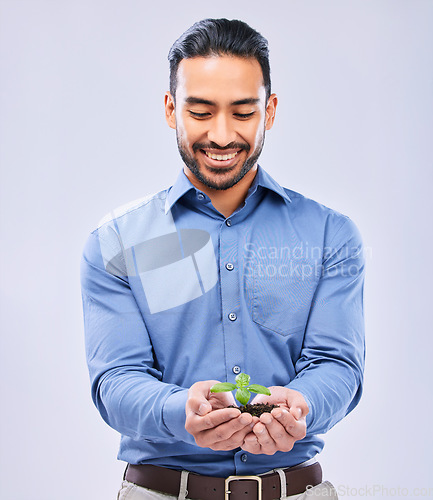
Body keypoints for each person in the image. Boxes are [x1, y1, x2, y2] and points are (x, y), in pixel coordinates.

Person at [80, 18, 365, 500]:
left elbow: (337, 364)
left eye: (242, 112)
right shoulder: (115, 244)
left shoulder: (331, 236)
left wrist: (304, 404)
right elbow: (116, 380)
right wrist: (179, 410)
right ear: (171, 110)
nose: (221, 134)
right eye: (201, 111)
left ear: (269, 112)